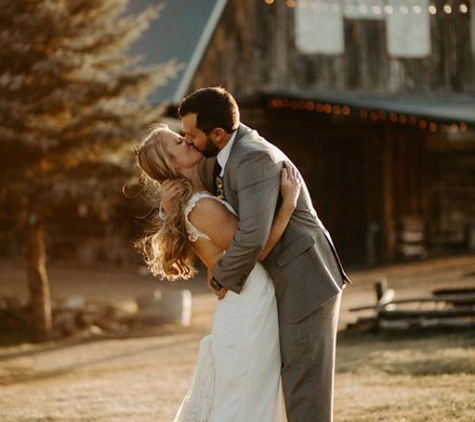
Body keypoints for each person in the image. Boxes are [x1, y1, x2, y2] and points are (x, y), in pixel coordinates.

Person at [161, 87, 351, 422]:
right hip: (274, 280)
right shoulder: (217, 159)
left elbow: (251, 237)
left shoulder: (251, 156)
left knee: (305, 384)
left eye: (191, 135)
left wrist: (221, 278)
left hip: (304, 276)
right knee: (282, 381)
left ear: (217, 134)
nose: (188, 141)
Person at [135, 124, 301, 422]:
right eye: (178, 141)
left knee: (249, 399)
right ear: (172, 164)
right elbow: (256, 250)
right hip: (249, 306)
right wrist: (288, 205)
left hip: (244, 301)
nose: (186, 139)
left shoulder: (199, 198)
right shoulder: (200, 207)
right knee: (248, 402)